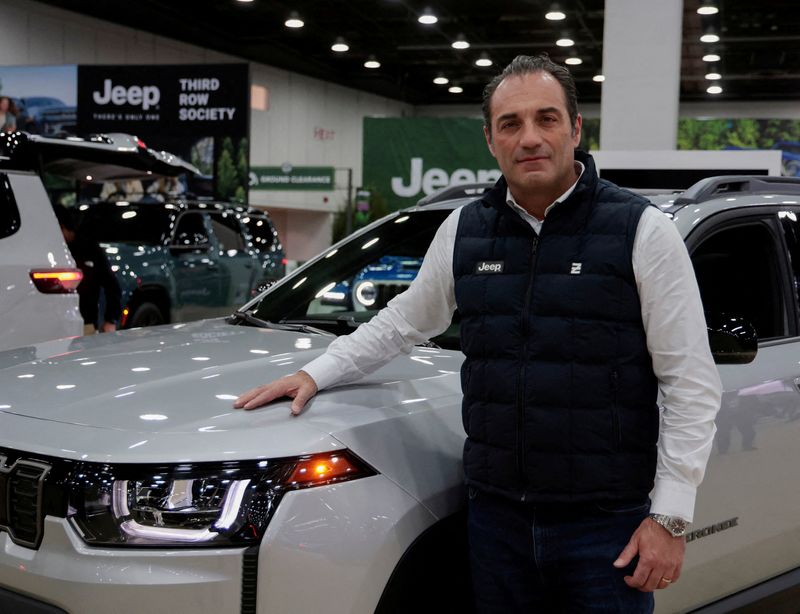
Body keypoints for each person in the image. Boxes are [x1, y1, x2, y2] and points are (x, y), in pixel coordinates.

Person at [234, 54, 722, 613]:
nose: (530, 138)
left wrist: (669, 518)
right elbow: (401, 322)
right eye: (511, 124)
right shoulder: (465, 229)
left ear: (576, 127)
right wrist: (314, 373)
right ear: (490, 139)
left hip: (604, 527)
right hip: (495, 522)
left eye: (547, 119)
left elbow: (689, 382)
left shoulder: (641, 231)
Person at [53, 205, 122, 335]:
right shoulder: (52, 252)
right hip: (57, 325)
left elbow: (112, 286)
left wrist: (110, 320)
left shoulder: (89, 248)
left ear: (63, 227)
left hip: (86, 324)